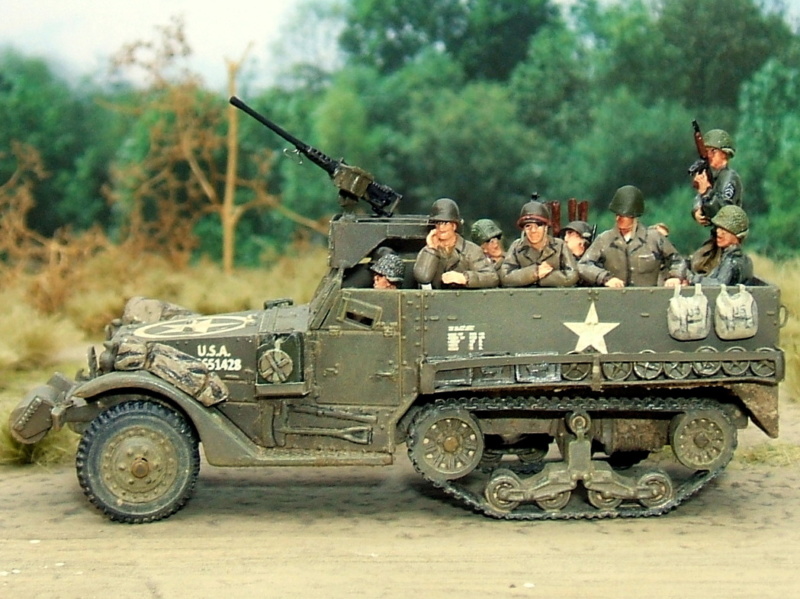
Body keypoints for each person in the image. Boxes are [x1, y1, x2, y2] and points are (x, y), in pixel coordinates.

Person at [579, 185, 684, 288]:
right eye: (617, 215)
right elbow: (583, 265)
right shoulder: (604, 240)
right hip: (615, 299)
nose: (618, 219)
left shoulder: (654, 238)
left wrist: (675, 276)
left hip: (648, 298)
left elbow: (677, 260)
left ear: (633, 216)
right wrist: (605, 278)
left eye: (623, 216)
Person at [413, 198, 499, 289]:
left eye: (445, 223)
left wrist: (464, 278)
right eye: (437, 223)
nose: (441, 227)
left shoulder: (471, 250)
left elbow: (492, 277)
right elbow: (422, 277)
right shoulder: (429, 250)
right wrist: (431, 249)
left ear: (454, 226)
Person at [499, 200, 578, 288]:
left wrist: (543, 278)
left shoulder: (560, 246)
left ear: (546, 228)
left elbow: (572, 275)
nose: (533, 231)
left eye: (538, 225)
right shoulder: (517, 247)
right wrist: (535, 272)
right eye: (528, 226)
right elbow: (505, 277)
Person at [689, 205, 753, 286]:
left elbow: (718, 284)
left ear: (737, 234)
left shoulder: (733, 261)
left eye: (725, 229)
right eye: (718, 228)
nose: (719, 232)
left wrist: (691, 279)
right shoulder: (725, 256)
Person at [691, 129, 743, 227]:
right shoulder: (714, 176)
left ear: (725, 153)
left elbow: (723, 211)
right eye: (706, 152)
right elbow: (699, 198)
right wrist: (697, 210)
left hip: (729, 233)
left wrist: (706, 192)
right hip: (717, 232)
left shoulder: (729, 178)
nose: (709, 155)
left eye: (713, 151)